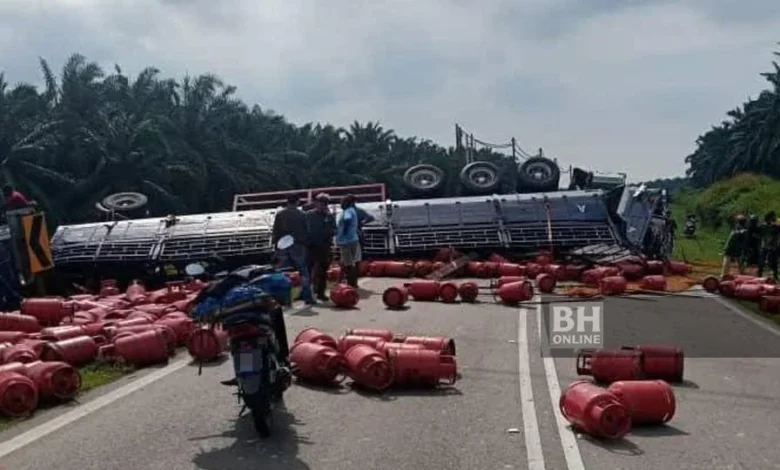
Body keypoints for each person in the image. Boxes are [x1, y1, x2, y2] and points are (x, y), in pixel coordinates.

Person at [272, 194, 315, 305]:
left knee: (281, 272)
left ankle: (282, 299)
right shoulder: (302, 214)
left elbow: (276, 231)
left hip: (283, 245)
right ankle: (307, 297)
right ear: (297, 202)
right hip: (298, 245)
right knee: (303, 272)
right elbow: (308, 230)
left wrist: (275, 245)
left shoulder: (280, 214)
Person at [305, 193, 336, 301]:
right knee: (308, 270)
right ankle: (305, 292)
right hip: (310, 246)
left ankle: (320, 292)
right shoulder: (308, 215)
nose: (323, 205)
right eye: (321, 203)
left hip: (324, 246)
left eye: (325, 203)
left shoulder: (329, 216)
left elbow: (334, 230)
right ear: (316, 203)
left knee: (323, 270)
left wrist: (328, 226)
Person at [336, 194, 362, 288]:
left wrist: (344, 232)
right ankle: (353, 282)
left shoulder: (348, 211)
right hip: (353, 239)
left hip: (346, 241)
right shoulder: (352, 210)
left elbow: (347, 220)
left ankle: (351, 283)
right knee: (351, 263)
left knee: (348, 264)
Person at [758, 211, 778, 280]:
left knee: (764, 262)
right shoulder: (775, 227)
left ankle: (760, 275)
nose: (775, 217)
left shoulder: (762, 226)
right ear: (771, 218)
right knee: (772, 262)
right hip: (770, 247)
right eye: (774, 216)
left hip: (766, 246)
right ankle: (774, 276)